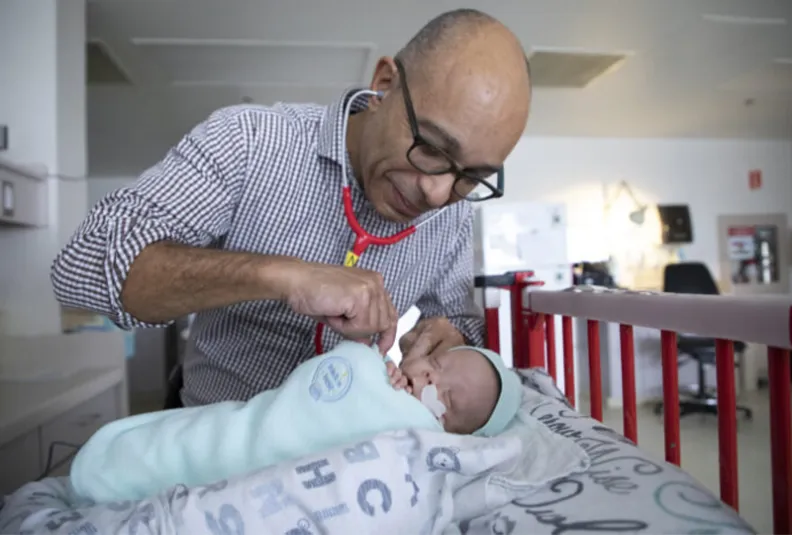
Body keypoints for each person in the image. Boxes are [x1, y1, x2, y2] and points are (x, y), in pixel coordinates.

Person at [50, 8, 532, 407]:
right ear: (384, 84)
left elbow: (459, 325)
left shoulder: (452, 215)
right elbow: (83, 266)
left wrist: (449, 340)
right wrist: (283, 276)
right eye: (429, 146)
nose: (437, 194)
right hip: (212, 449)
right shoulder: (250, 141)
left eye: (471, 176)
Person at [69, 341, 523, 503]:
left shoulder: (419, 440)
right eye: (437, 365)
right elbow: (330, 381)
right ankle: (119, 459)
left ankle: (116, 473)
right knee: (199, 438)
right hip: (243, 424)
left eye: (447, 398)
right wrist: (368, 365)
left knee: (194, 464)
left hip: (260, 475)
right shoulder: (378, 373)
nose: (429, 379)